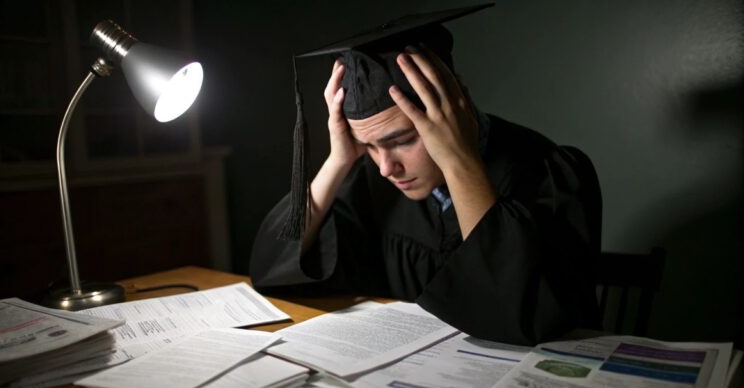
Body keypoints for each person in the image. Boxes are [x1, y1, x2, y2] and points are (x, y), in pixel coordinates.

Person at [250, 5, 602, 345]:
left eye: (402, 140)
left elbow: (521, 317)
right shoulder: (374, 183)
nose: (387, 167)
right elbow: (273, 269)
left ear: (454, 106)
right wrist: (340, 159)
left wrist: (457, 161)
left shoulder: (546, 172)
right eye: (369, 146)